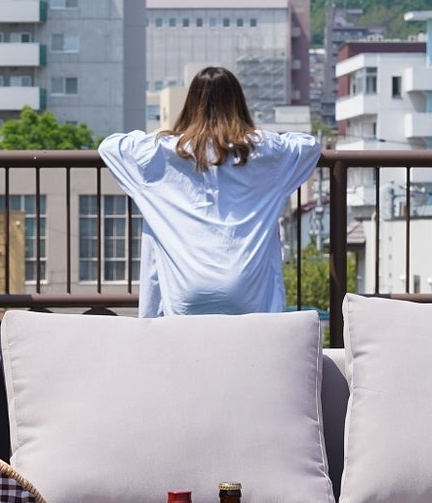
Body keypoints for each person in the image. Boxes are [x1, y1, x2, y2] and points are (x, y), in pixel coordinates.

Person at [99, 67, 321, 316]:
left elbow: (109, 146)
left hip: (183, 290)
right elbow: (309, 145)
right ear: (238, 104)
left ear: (190, 105)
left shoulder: (158, 153)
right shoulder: (265, 152)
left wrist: (167, 137)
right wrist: (255, 136)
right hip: (248, 291)